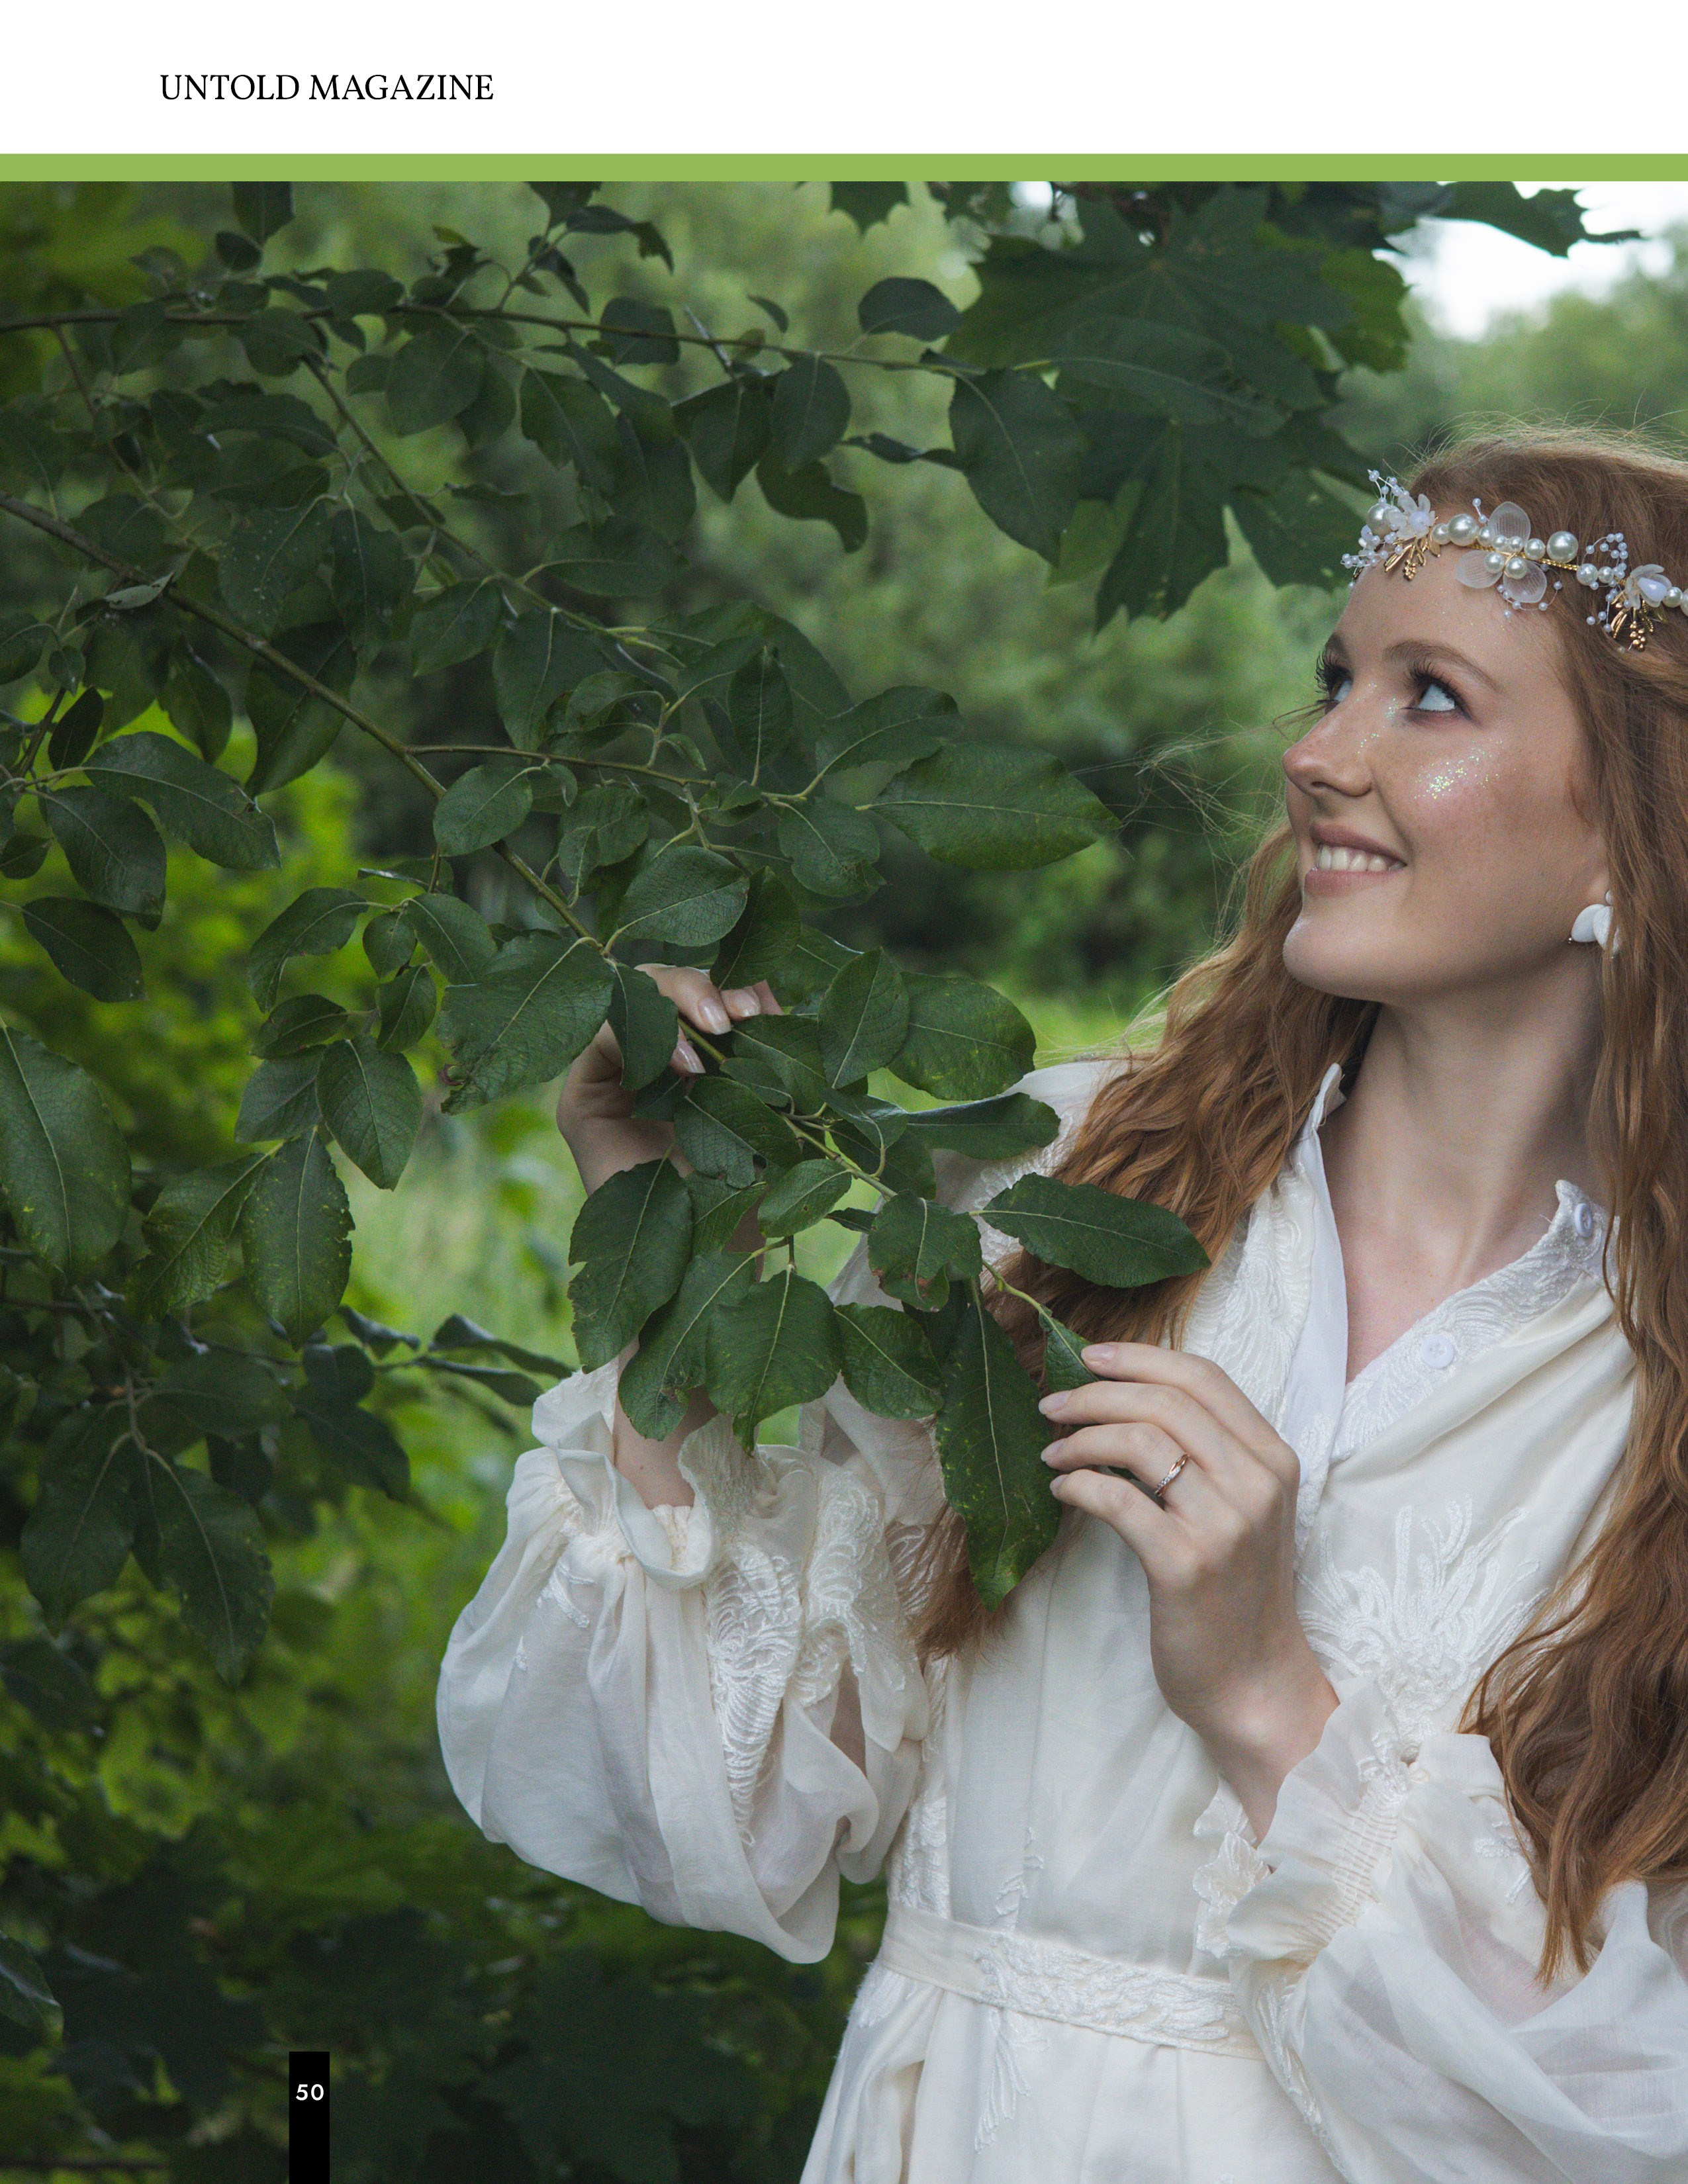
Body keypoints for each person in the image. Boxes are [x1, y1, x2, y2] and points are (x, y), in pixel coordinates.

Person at [436, 431, 1688, 2183]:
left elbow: (1629, 2112)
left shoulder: (1659, 1391)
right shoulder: (1064, 1192)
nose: (1316, 753)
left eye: (1431, 699)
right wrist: (679, 1256)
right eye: (1336, 679)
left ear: (1636, 807)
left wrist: (1264, 1691)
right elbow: (721, 1801)